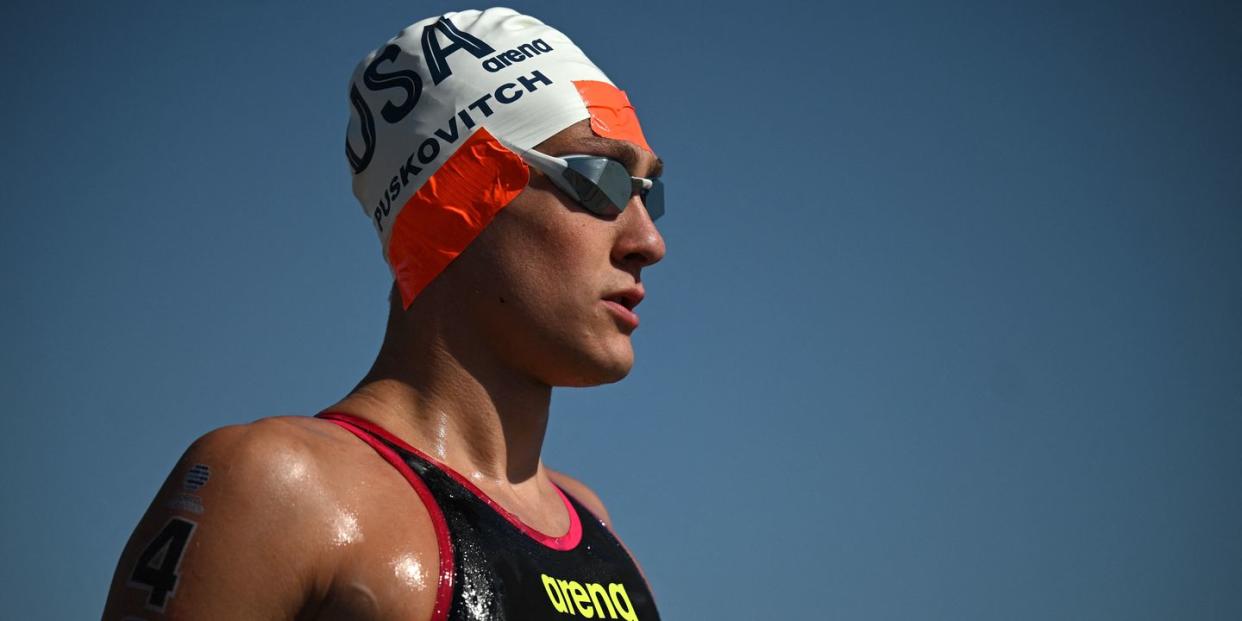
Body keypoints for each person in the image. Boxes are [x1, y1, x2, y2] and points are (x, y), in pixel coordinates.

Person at [102, 8, 666, 620]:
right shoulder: (278, 491)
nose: (648, 241)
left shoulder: (595, 531)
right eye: (598, 180)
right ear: (461, 199)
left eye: (648, 192)